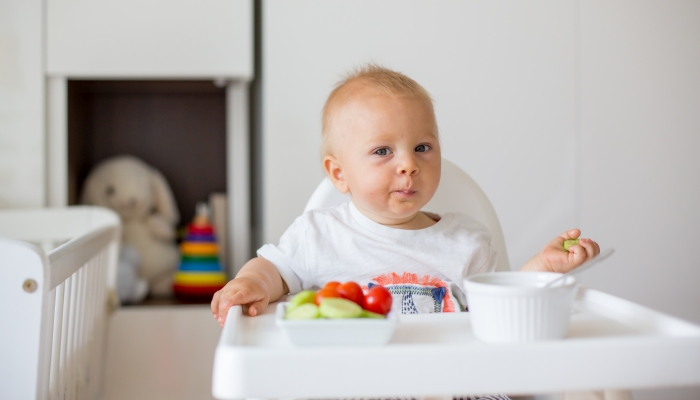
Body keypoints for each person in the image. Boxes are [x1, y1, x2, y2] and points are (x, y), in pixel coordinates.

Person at [211, 64, 600, 326]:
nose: (408, 165)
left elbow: (497, 309)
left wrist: (540, 270)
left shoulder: (465, 241)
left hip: (451, 385)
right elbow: (274, 271)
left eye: (423, 147)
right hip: (357, 384)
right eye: (383, 151)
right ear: (339, 174)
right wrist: (250, 284)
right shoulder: (319, 234)